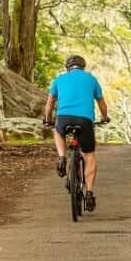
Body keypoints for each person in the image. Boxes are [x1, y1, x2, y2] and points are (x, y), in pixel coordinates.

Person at [43, 54, 109, 212]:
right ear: (83, 67)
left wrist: (47, 118)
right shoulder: (91, 79)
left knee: (57, 131)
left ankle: (61, 157)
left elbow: (50, 102)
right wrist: (105, 117)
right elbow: (101, 102)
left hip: (63, 118)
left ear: (68, 67)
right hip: (85, 120)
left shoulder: (59, 79)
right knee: (89, 155)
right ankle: (90, 193)